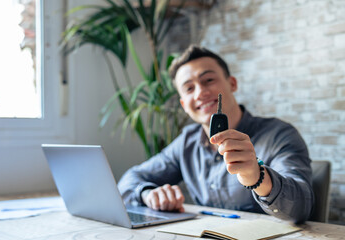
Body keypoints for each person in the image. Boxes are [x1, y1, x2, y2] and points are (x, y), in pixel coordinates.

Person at [118, 45, 314, 223]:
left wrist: (258, 177)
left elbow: (300, 208)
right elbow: (129, 180)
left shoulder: (279, 135)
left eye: (209, 80)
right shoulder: (186, 142)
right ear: (184, 104)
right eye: (189, 88)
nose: (200, 93)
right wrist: (147, 194)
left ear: (232, 84)